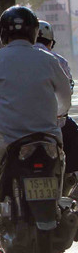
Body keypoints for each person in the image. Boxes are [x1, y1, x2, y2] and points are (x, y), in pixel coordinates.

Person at [0, 6, 72, 237]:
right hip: (49, 139)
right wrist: (58, 115)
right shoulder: (48, 59)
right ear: (33, 32)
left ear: (3, 33)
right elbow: (64, 97)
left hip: (8, 140)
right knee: (60, 164)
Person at [36, 20, 78, 183]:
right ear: (51, 43)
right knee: (73, 134)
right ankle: (70, 178)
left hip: (17, 125)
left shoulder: (5, 59)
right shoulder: (58, 60)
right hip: (54, 124)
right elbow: (66, 94)